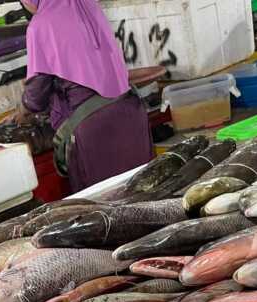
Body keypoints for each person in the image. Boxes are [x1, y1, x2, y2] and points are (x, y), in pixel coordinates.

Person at [12, 0, 152, 192]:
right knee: (145, 195)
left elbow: (36, 94)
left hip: (92, 130)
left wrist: (23, 109)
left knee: (105, 208)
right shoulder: (87, 4)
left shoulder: (40, 24)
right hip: (130, 113)